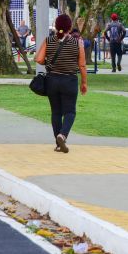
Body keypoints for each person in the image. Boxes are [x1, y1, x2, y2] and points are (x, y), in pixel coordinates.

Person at [35, 14, 87, 153]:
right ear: (70, 27)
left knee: (56, 112)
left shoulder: (49, 40)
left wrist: (50, 63)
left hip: (52, 80)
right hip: (69, 81)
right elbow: (82, 65)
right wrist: (84, 83)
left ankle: (58, 144)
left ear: (56, 27)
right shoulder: (78, 43)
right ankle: (62, 135)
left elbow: (38, 59)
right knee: (70, 111)